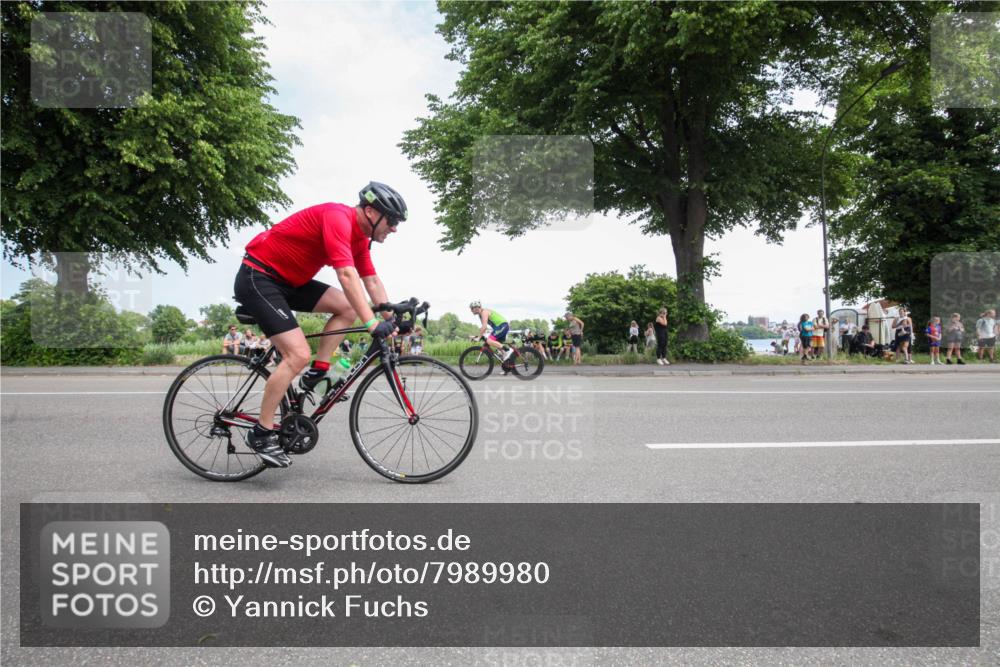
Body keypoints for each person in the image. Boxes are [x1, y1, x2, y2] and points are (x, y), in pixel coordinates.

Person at [233, 181, 408, 467]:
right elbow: (348, 277)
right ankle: (261, 432)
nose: (394, 228)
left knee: (348, 308)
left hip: (289, 282)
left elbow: (371, 282)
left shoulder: (360, 240)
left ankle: (319, 371)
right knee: (297, 354)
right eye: (392, 220)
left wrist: (392, 317)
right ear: (370, 212)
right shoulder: (337, 218)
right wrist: (373, 323)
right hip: (259, 277)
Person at [469, 301, 513, 370]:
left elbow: (484, 327)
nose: (471, 310)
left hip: (502, 326)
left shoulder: (484, 312)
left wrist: (479, 337)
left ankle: (508, 349)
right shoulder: (480, 315)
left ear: (476, 308)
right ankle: (507, 367)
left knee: (489, 341)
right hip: (500, 327)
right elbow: (483, 328)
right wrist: (477, 336)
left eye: (472, 309)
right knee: (499, 348)